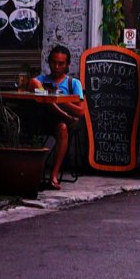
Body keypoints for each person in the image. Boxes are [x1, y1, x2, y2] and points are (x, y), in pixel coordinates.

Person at [23, 45, 86, 189]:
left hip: (64, 122)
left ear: (67, 65)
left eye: (61, 63)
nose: (56, 67)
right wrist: (49, 97)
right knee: (33, 83)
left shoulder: (73, 83)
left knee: (62, 128)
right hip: (42, 119)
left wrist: (61, 100)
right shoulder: (41, 80)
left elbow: (81, 112)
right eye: (54, 62)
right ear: (49, 62)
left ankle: (54, 175)